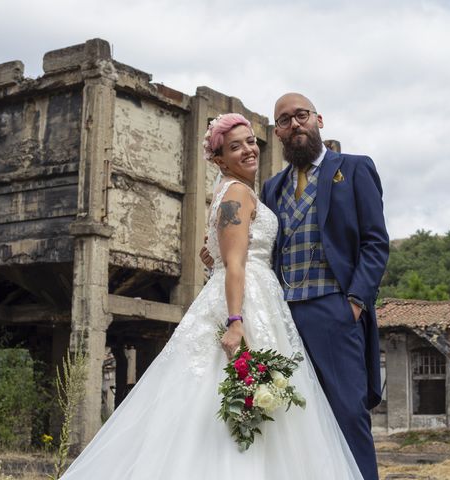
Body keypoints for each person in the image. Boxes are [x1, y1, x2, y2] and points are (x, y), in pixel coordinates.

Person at [60, 113, 364, 479]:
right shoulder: (236, 192)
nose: (248, 149)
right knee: (241, 405)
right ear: (219, 159)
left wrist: (216, 258)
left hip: (254, 294)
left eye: (251, 141)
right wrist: (236, 323)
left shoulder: (234, 190)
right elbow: (235, 265)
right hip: (246, 301)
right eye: (236, 146)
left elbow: (225, 255)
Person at [204, 93, 389, 480]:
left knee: (348, 413)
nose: (294, 125)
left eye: (301, 116)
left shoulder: (354, 170)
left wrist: (354, 301)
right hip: (280, 317)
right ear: (278, 133)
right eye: (285, 121)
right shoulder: (270, 188)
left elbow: (375, 242)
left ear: (319, 119)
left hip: (335, 310)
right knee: (297, 421)